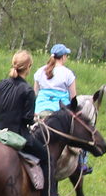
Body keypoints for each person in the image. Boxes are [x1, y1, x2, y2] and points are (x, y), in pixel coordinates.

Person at [0, 49, 63, 196]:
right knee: (47, 157)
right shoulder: (28, 91)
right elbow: (27, 119)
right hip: (15, 134)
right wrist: (35, 117)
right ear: (28, 67)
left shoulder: (1, 84)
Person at [33, 43, 90, 177]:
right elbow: (73, 98)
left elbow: (35, 93)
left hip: (40, 111)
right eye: (66, 56)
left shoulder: (40, 72)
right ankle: (82, 163)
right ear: (63, 57)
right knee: (83, 132)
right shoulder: (68, 74)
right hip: (60, 113)